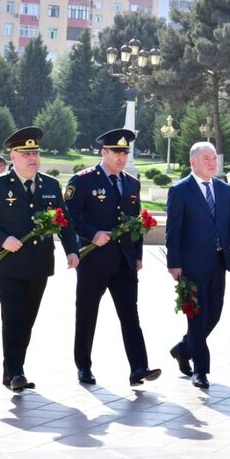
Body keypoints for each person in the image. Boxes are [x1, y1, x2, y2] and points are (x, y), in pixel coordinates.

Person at [0, 127, 80, 392]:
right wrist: (2, 239)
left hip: (39, 264)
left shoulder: (50, 185)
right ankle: (17, 371)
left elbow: (64, 222)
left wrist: (72, 249)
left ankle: (11, 371)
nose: (33, 158)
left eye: (36, 153)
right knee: (12, 317)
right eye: (27, 153)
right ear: (14, 156)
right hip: (8, 263)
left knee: (27, 319)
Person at [64, 128, 161, 387]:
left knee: (130, 315)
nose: (122, 157)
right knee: (86, 315)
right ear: (103, 152)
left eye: (125, 152)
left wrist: (137, 255)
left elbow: (137, 222)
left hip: (124, 262)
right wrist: (92, 233)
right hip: (93, 260)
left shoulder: (131, 183)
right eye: (116, 152)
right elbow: (71, 216)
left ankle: (139, 368)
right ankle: (83, 366)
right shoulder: (82, 180)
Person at [166, 142, 230, 389]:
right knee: (197, 317)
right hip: (191, 265)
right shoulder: (180, 190)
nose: (212, 163)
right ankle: (200, 370)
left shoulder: (223, 189)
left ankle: (183, 348)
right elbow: (173, 230)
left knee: (215, 313)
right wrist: (174, 263)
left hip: (219, 262)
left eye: (214, 158)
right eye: (206, 159)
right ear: (193, 162)